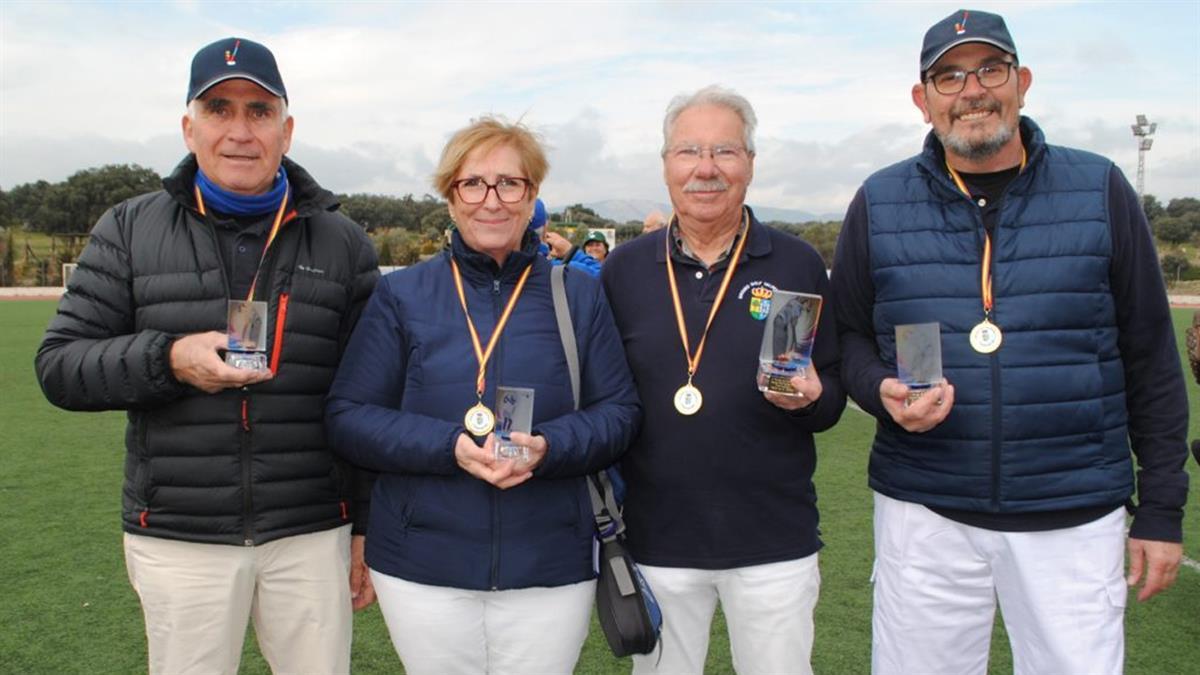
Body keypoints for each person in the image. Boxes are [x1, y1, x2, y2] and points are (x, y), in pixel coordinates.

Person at [831, 9, 1191, 675]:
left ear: (1021, 82)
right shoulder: (880, 200)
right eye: (949, 76)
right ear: (923, 98)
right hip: (925, 507)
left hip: (1073, 514)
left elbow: (1151, 357)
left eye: (989, 69)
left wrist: (1162, 507)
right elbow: (847, 336)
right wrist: (881, 389)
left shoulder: (1100, 186)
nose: (972, 90)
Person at [34, 37, 379, 674]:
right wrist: (169, 360)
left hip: (311, 532)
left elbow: (367, 398)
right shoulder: (129, 228)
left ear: (288, 128)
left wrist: (363, 525)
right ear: (189, 127)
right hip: (179, 534)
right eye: (219, 110)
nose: (240, 131)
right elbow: (60, 367)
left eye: (259, 110)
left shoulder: (344, 242)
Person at [325, 116, 640, 674]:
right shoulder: (402, 293)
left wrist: (549, 446)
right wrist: (448, 446)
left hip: (550, 560)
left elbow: (619, 414)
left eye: (509, 183)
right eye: (473, 184)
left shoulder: (579, 294)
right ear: (451, 198)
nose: (490, 200)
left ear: (532, 195)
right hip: (423, 562)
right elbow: (350, 417)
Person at [601, 85, 845, 675]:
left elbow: (833, 392)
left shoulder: (796, 262)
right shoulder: (624, 269)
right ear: (666, 166)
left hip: (772, 540)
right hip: (657, 539)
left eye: (725, 152)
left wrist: (812, 399)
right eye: (688, 151)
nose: (705, 169)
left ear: (750, 165)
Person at [531, 198, 602, 277]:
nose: (594, 248)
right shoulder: (565, 270)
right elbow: (605, 278)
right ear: (545, 231)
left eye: (597, 244)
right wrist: (571, 252)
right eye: (590, 245)